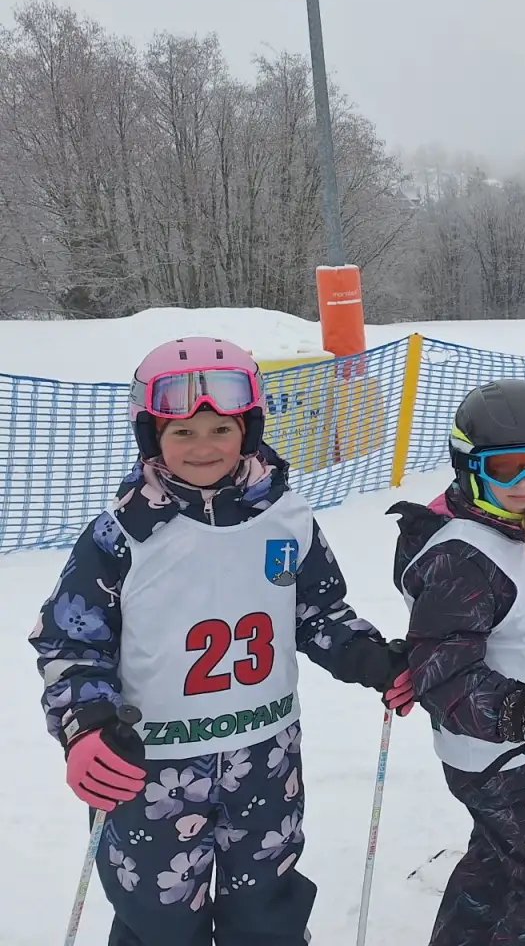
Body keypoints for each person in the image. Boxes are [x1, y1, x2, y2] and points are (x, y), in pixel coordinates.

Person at [31, 337, 412, 946]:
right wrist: (85, 722)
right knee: (156, 913)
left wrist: (366, 654)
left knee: (268, 905)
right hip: (154, 765)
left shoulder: (285, 516)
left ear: (249, 427)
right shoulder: (122, 533)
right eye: (182, 433)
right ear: (152, 436)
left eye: (220, 428)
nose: (203, 447)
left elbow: (315, 609)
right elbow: (70, 643)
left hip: (265, 757)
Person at [391, 379, 525, 946]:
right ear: (470, 466)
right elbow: (445, 675)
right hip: (499, 753)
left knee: (495, 864)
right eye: (506, 470)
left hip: (523, 745)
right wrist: (523, 714)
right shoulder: (465, 557)